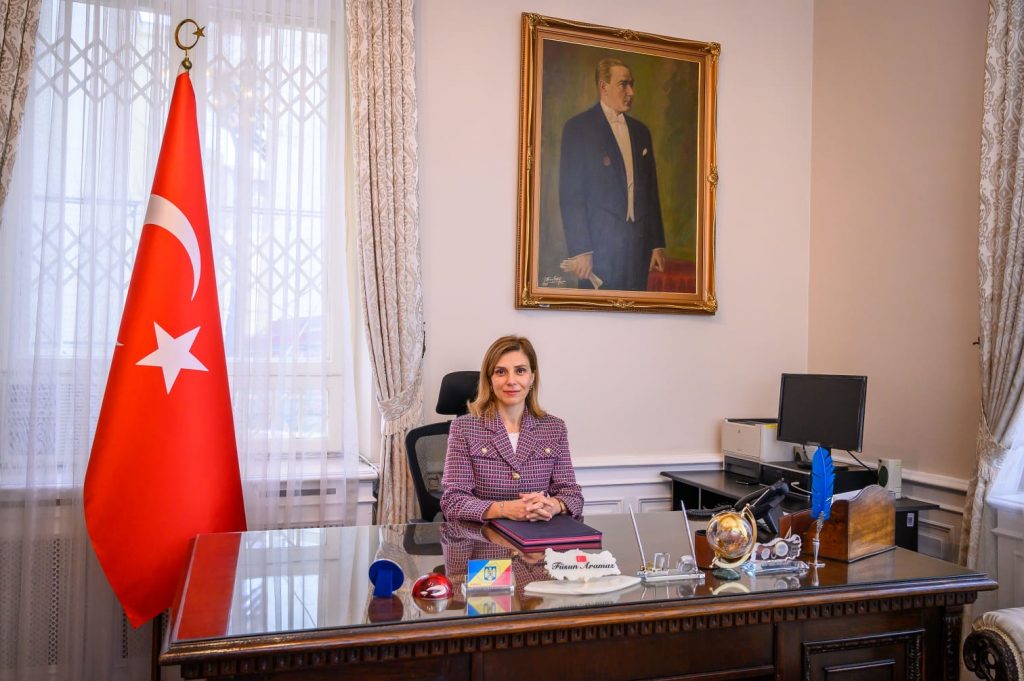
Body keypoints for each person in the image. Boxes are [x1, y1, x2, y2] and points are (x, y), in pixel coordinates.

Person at [440, 335, 584, 522]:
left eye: (520, 371)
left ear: (532, 377)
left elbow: (572, 495)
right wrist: (504, 509)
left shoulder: (554, 428)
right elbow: (453, 502)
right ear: (490, 380)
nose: (511, 380)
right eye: (501, 372)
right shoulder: (464, 428)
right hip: (483, 536)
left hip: (537, 535)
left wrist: (553, 505)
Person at [559, 57, 666, 292]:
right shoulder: (578, 129)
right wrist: (581, 250)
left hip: (638, 249)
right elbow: (571, 196)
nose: (631, 92)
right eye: (623, 84)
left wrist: (656, 244)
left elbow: (651, 192)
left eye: (631, 84)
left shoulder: (641, 132)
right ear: (603, 86)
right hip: (597, 252)